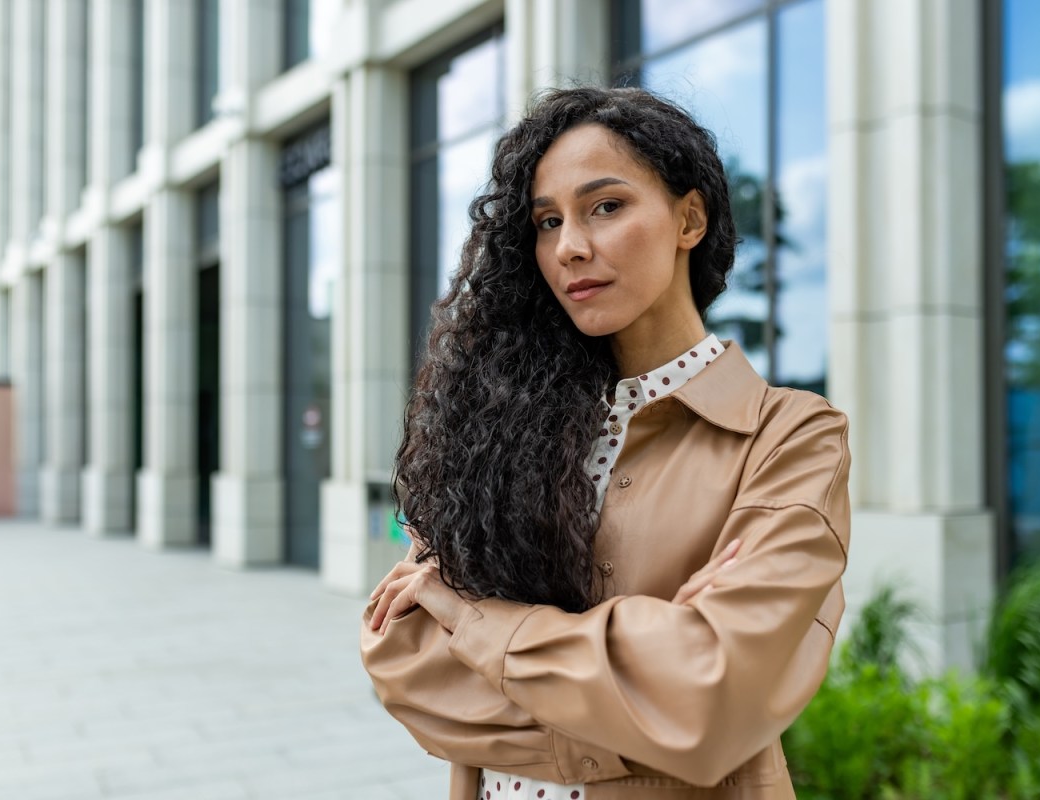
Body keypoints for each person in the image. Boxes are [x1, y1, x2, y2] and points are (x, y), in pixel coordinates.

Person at [360, 86, 850, 800]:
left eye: (607, 206)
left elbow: (711, 697)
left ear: (689, 219)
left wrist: (470, 621)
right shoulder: (502, 432)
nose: (570, 247)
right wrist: (639, 688)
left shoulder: (789, 437)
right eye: (547, 221)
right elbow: (401, 663)